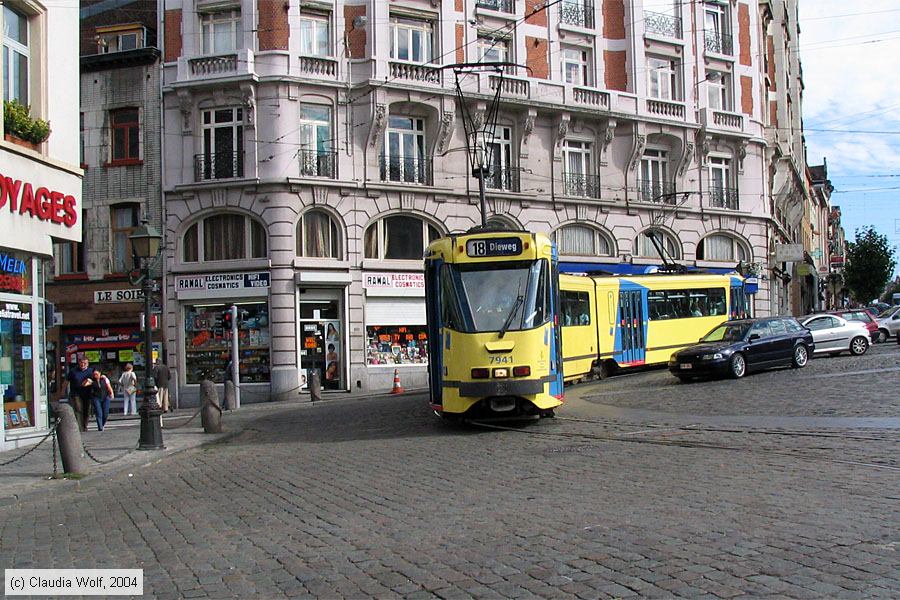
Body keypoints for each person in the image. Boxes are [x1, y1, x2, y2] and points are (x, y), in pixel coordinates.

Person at [65, 356, 96, 432]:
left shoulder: (91, 371)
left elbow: (97, 379)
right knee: (78, 409)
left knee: (86, 410)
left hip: (87, 394)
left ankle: (84, 425)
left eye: (85, 363)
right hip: (76, 393)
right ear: (79, 363)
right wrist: (62, 392)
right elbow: (66, 381)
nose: (83, 364)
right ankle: (80, 427)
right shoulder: (73, 371)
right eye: (81, 363)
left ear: (87, 364)